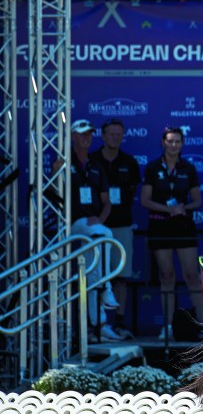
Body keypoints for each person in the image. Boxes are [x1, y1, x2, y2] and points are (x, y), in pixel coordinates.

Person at [55, 119, 121, 342]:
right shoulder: (63, 162)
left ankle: (95, 326)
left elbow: (107, 202)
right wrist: (58, 171)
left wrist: (98, 220)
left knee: (92, 272)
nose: (86, 138)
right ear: (72, 136)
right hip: (71, 225)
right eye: (82, 134)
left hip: (93, 227)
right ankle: (107, 290)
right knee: (107, 235)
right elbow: (54, 196)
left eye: (89, 135)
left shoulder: (96, 165)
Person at [140, 126, 203, 339]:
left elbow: (197, 200)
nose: (174, 145)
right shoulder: (152, 168)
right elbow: (145, 200)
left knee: (191, 275)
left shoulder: (188, 168)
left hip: (183, 226)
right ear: (163, 142)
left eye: (177, 141)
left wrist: (182, 209)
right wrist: (169, 209)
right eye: (170, 141)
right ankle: (166, 327)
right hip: (160, 226)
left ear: (182, 144)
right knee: (166, 276)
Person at [89, 118, 141, 339]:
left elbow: (132, 192)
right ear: (103, 136)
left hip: (121, 224)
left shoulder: (129, 162)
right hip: (96, 226)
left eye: (118, 134)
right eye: (111, 134)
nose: (115, 138)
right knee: (95, 277)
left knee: (121, 276)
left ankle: (119, 322)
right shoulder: (91, 161)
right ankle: (96, 326)